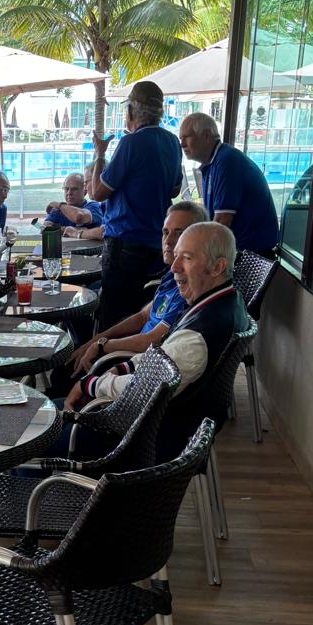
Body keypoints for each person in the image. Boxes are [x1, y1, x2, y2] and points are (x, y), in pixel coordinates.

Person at [64, 222, 249, 421]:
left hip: (139, 430)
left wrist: (88, 384)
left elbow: (140, 390)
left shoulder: (196, 337)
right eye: (176, 255)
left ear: (218, 267)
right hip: (152, 416)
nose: (174, 266)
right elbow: (163, 355)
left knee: (46, 421)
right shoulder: (228, 300)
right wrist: (122, 368)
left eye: (187, 258)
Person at [68, 201, 207, 376]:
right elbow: (142, 316)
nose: (169, 241)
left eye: (179, 233)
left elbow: (154, 340)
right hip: (129, 352)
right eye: (166, 232)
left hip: (137, 367)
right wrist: (98, 338)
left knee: (64, 373)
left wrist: (102, 345)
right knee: (68, 362)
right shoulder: (172, 275)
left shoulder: (187, 290)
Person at [87, 80, 184, 328]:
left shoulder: (130, 143)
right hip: (156, 244)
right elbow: (175, 189)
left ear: (131, 111)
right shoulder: (172, 143)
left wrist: (100, 154)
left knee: (114, 316)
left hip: (125, 244)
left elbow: (97, 193)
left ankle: (104, 352)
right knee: (142, 314)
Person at [179, 112, 279, 255]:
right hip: (241, 249)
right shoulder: (214, 162)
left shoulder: (227, 161)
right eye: (180, 139)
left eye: (187, 137)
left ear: (206, 135)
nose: (182, 144)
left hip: (252, 255)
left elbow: (222, 221)